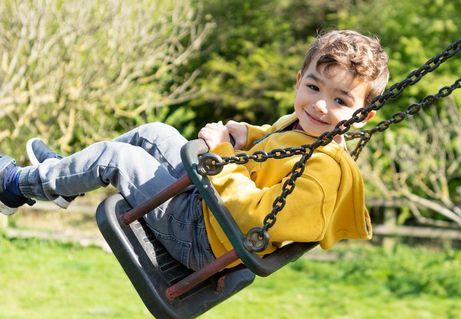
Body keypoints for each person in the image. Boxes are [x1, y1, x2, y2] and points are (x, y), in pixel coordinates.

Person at [0, 30, 390, 271]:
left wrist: (221, 152)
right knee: (154, 132)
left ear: (364, 116)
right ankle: (65, 177)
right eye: (314, 87)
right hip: (208, 208)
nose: (320, 105)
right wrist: (246, 133)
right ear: (299, 79)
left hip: (207, 240)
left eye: (341, 100)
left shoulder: (324, 170)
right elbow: (273, 146)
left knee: (119, 159)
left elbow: (256, 216)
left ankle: (17, 185)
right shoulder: (304, 129)